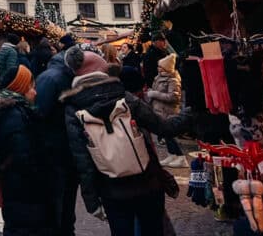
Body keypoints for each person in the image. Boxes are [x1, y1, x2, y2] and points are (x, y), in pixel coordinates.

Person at [61, 47, 191, 236]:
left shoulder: (73, 108)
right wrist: (192, 111)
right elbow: (165, 128)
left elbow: (83, 162)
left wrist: (92, 202)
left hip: (112, 191)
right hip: (147, 183)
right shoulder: (124, 95)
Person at [0, 65, 55, 236]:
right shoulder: (15, 116)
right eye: (31, 87)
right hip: (23, 189)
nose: (35, 92)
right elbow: (23, 157)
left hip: (14, 187)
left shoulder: (11, 112)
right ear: (20, 88)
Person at [33, 46, 79, 236]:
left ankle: (64, 229)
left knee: (60, 198)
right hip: (60, 148)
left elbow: (39, 112)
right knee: (61, 198)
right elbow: (41, 113)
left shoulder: (52, 77)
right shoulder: (58, 77)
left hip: (58, 148)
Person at [147, 52, 187, 167]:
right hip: (160, 110)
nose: (158, 68)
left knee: (169, 134)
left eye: (160, 66)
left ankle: (180, 157)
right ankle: (172, 154)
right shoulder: (159, 77)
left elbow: (174, 97)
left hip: (168, 111)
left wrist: (154, 94)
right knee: (165, 134)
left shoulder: (173, 79)